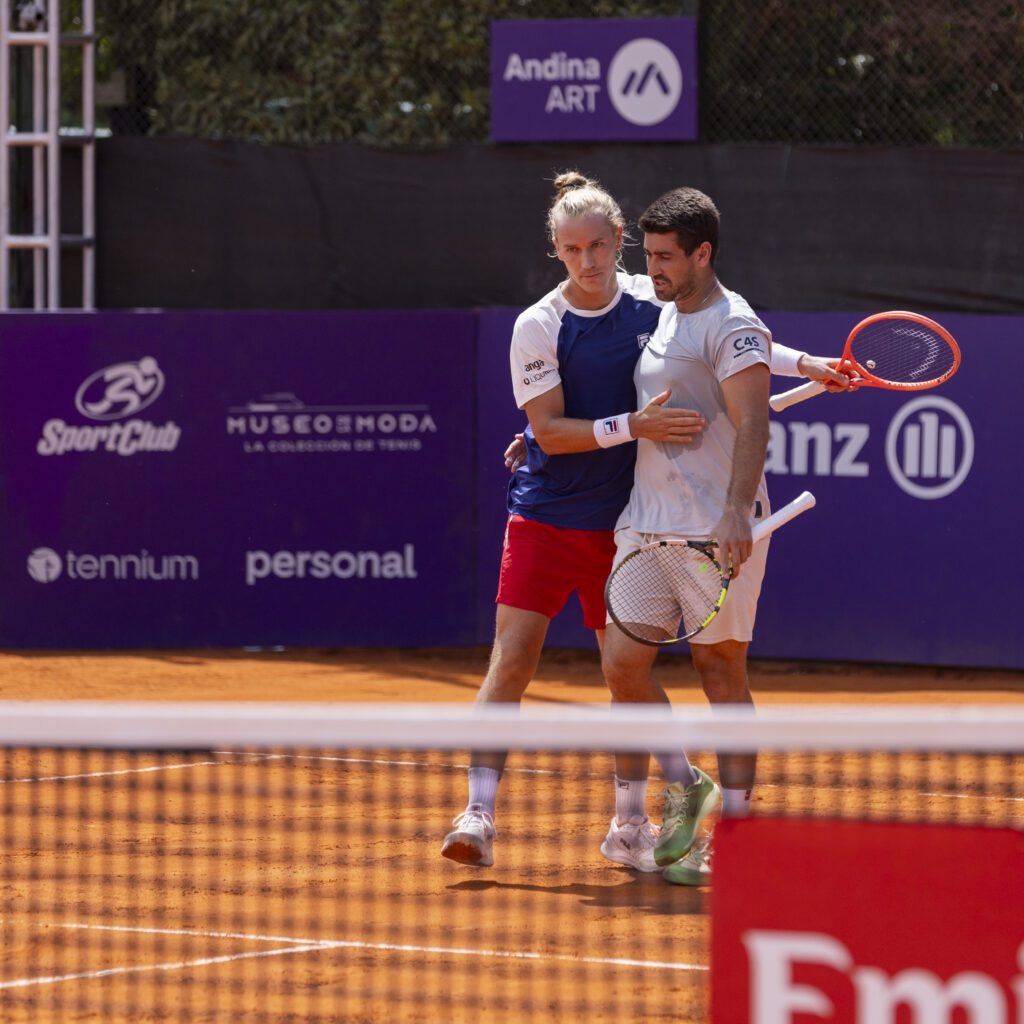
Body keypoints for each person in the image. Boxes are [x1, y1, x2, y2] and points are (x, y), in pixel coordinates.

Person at [441, 173, 844, 873]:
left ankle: (693, 828)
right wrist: (552, 434)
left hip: (673, 521)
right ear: (556, 249)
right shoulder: (614, 309)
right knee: (600, 666)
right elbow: (555, 421)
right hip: (614, 520)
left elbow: (745, 360)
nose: (594, 261)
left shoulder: (678, 303)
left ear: (629, 242)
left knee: (708, 672)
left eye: (603, 247)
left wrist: (805, 365)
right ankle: (638, 799)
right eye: (573, 249)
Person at [602, 185, 803, 887]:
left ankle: (739, 831)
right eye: (650, 255)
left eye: (665, 257)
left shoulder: (732, 321)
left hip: (716, 529)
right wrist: (810, 364)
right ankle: (689, 784)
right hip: (646, 525)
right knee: (622, 665)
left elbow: (754, 422)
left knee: (720, 673)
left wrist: (736, 512)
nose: (651, 268)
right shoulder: (661, 307)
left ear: (702, 254)